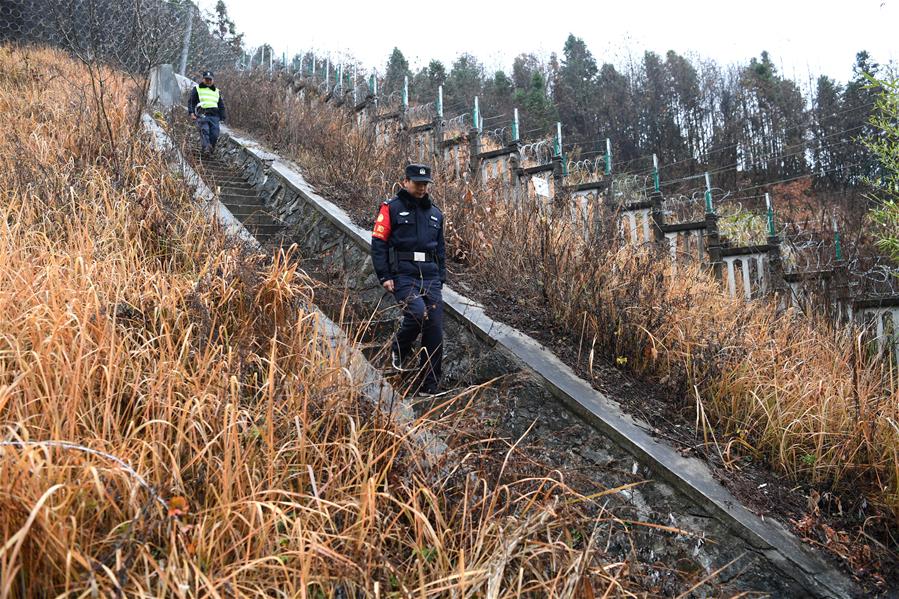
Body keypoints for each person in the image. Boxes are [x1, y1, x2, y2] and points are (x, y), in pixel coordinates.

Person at [371, 164, 446, 396]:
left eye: (425, 184)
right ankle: (399, 347)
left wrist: (441, 276)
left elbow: (441, 249)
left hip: (431, 276)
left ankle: (430, 385)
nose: (422, 187)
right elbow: (379, 243)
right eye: (417, 183)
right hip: (403, 275)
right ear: (405, 182)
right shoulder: (391, 208)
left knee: (434, 329)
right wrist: (384, 275)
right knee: (416, 313)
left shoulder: (435, 213)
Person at [187, 71, 226, 156]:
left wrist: (222, 117)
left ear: (213, 80)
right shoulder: (197, 88)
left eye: (210, 79)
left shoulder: (217, 91)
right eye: (206, 79)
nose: (208, 81)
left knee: (215, 134)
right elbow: (191, 102)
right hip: (202, 114)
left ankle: (210, 149)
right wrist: (191, 113)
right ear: (203, 79)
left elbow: (221, 105)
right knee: (204, 131)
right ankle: (206, 149)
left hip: (215, 116)